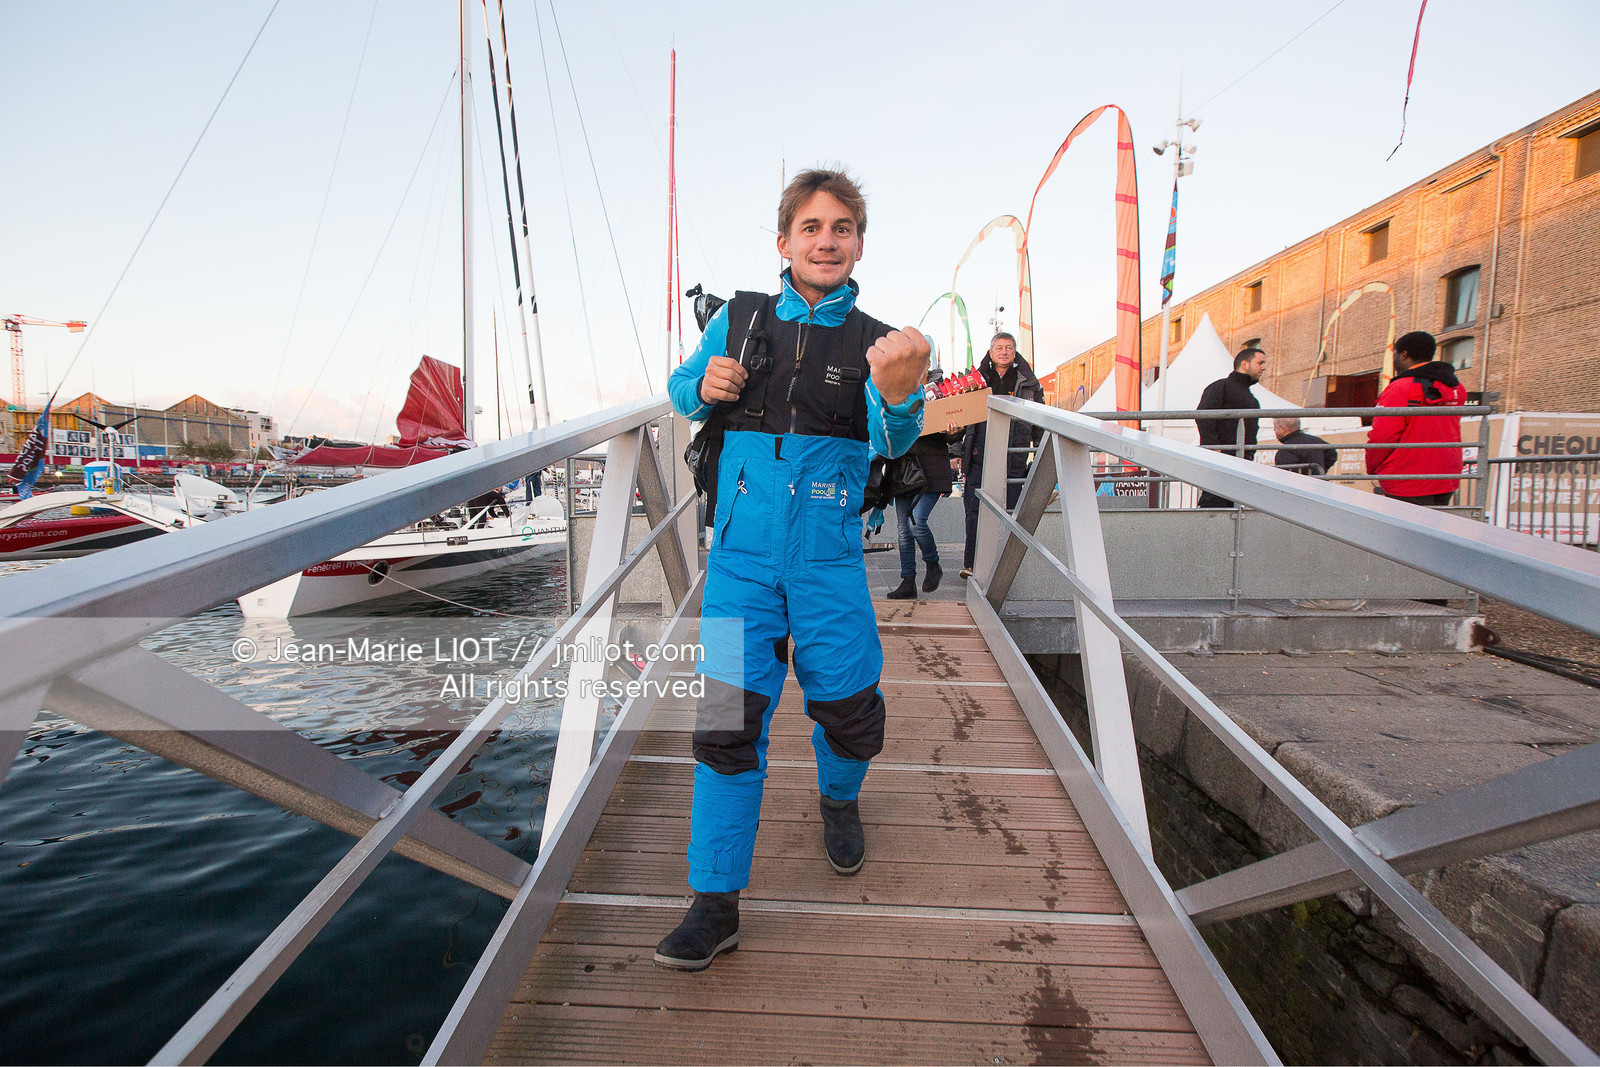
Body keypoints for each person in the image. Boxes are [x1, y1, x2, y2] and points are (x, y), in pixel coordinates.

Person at [659, 168, 930, 970]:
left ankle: (838, 798)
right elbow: (680, 391)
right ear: (785, 242)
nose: (826, 239)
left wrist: (903, 394)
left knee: (853, 714)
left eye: (842, 227)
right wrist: (699, 385)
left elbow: (895, 441)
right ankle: (715, 903)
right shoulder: (738, 322)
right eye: (811, 226)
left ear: (858, 243)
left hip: (829, 560)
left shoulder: (884, 341)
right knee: (726, 729)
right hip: (740, 561)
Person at [958, 333, 1043, 580]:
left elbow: (1039, 421)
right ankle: (971, 565)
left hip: (1014, 455)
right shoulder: (975, 378)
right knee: (974, 512)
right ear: (991, 351)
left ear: (1015, 352)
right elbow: (961, 416)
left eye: (1008, 347)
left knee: (1011, 514)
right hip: (979, 453)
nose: (1004, 351)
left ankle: (1003, 570)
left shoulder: (1029, 382)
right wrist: (955, 452)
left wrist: (1038, 452)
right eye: (999, 347)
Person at [1367, 331, 1467, 506]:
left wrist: (1373, 467)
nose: (1394, 359)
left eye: (1395, 354)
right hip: (1446, 475)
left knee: (1406, 531)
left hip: (1407, 477)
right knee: (1434, 530)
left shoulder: (1400, 388)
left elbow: (1382, 436)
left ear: (1404, 354)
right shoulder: (1456, 387)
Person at [886, 410, 962, 600]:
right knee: (903, 529)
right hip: (903, 468)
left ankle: (932, 563)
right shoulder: (897, 391)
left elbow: (951, 433)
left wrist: (953, 431)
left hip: (930, 469)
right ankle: (908, 581)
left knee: (916, 523)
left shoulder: (936, 392)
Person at [1196, 347, 1266, 508]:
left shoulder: (1251, 398)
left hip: (1241, 462)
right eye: (1260, 362)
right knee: (1215, 504)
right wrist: (1215, 448)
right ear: (1245, 364)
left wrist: (1249, 454)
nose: (1264, 367)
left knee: (1234, 507)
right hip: (1222, 461)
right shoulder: (1221, 387)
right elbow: (1203, 416)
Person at [1272, 417, 1338, 477]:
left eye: (1275, 427)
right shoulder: (1316, 441)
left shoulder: (1286, 449)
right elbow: (1332, 454)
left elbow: (1285, 475)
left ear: (1282, 428)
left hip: (1300, 486)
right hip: (1319, 485)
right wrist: (1319, 470)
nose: (1274, 430)